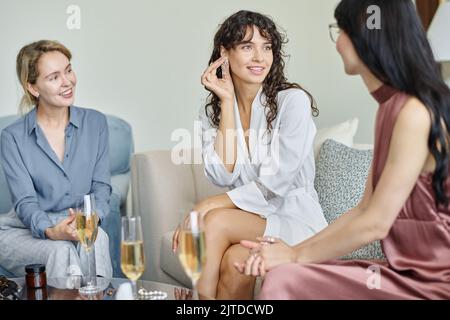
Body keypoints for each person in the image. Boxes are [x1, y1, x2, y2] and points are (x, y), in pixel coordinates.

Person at [236, 0, 450, 299]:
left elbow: (375, 223)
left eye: (342, 30)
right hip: (404, 272)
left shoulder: (414, 112)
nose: (337, 42)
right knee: (286, 273)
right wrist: (293, 252)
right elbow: (362, 210)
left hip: (433, 283)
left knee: (285, 279)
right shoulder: (390, 109)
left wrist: (295, 256)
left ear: (367, 35)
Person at [172, 10, 328, 299]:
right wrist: (228, 102)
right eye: (247, 46)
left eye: (266, 47)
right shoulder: (214, 112)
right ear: (224, 53)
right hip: (252, 219)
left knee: (215, 220)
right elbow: (222, 174)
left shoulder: (292, 102)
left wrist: (204, 205)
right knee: (235, 263)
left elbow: (274, 185)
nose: (260, 57)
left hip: (295, 220)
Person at [0, 40, 113, 279]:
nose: (67, 82)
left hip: (80, 223)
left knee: (97, 238)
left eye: (68, 70)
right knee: (61, 251)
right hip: (24, 232)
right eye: (54, 77)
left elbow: (101, 186)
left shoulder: (96, 124)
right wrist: (52, 231)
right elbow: (25, 202)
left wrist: (91, 220)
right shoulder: (12, 137)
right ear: (33, 88)